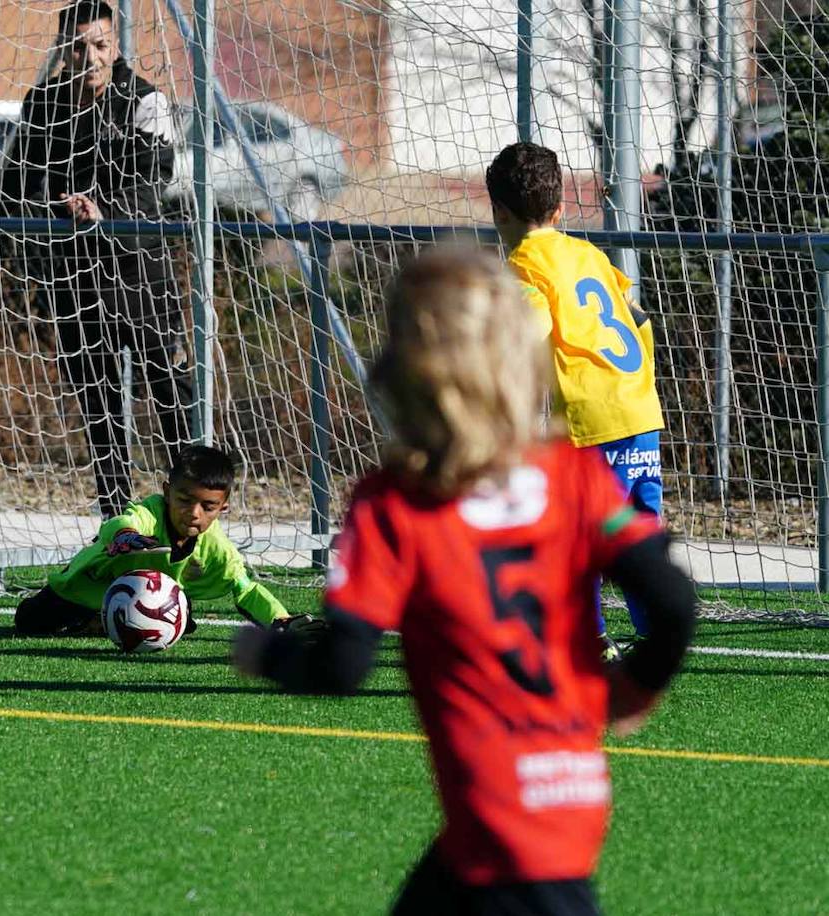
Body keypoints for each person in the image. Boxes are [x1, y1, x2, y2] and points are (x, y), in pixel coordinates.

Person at [234, 250, 696, 915]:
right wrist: (636, 686)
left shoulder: (395, 503)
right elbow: (674, 600)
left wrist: (267, 653)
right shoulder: (573, 477)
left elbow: (343, 663)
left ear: (401, 371)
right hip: (568, 796)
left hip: (501, 830)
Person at [0, 0, 192, 519]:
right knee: (98, 402)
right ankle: (117, 520)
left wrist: (104, 209)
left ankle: (191, 513)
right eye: (79, 48)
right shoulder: (43, 104)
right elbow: (14, 181)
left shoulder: (145, 100)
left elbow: (155, 182)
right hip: (72, 274)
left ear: (115, 46)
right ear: (63, 52)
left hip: (137, 272)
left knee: (169, 392)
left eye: (100, 45)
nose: (91, 57)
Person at [487, 141, 665, 660]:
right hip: (639, 408)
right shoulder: (588, 254)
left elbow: (534, 326)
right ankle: (655, 631)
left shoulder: (523, 264)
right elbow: (639, 318)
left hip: (593, 420)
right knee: (636, 527)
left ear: (498, 212)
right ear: (560, 208)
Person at [15, 445, 320, 637]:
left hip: (155, 597)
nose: (194, 513)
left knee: (182, 622)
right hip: (90, 587)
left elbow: (246, 590)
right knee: (29, 622)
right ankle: (94, 617)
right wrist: (125, 536)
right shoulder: (152, 512)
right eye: (184, 500)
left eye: (208, 507)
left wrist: (280, 619)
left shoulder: (219, 551)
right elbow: (123, 521)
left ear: (223, 508)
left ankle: (107, 622)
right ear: (166, 492)